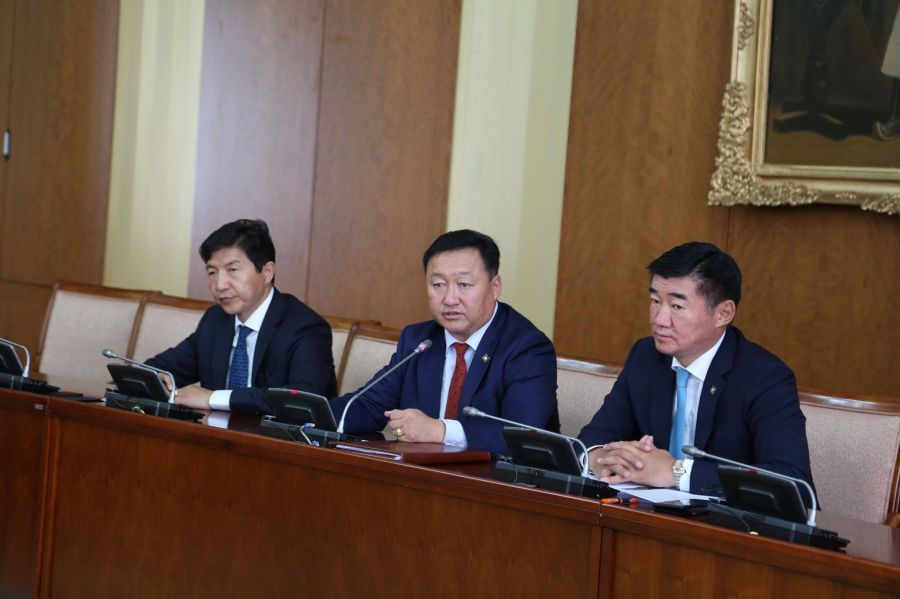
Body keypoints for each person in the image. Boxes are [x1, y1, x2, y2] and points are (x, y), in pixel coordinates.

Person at [578, 242, 814, 500]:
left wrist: (676, 472)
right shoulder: (645, 357)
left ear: (723, 313)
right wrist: (603, 459)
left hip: (727, 521)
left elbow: (792, 480)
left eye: (676, 306)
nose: (659, 319)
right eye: (655, 301)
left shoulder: (764, 377)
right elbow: (594, 437)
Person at [329, 229, 558, 455]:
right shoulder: (419, 340)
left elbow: (522, 436)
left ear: (495, 286)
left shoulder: (528, 348)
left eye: (464, 284)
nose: (450, 299)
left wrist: (439, 431)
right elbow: (368, 406)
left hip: (497, 477)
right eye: (438, 284)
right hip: (422, 472)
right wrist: (312, 413)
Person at [147, 219, 336, 414]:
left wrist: (213, 398)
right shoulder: (216, 319)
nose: (220, 285)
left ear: (267, 272)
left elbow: (304, 398)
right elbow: (160, 369)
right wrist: (157, 378)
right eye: (212, 272)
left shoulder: (305, 327)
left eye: (232, 270)